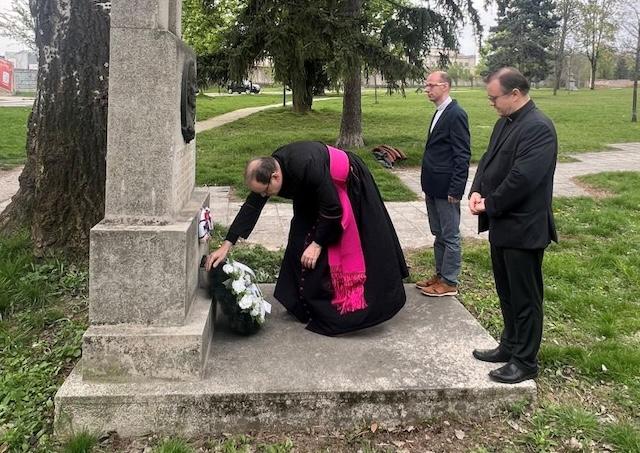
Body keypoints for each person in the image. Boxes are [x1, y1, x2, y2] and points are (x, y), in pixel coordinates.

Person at [205, 141, 408, 336]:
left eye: (266, 191)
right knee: (299, 240)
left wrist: (317, 244)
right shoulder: (272, 168)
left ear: (275, 176)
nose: (264, 196)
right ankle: (300, 303)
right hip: (314, 190)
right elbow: (252, 206)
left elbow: (332, 208)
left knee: (326, 247)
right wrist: (227, 245)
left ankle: (337, 304)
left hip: (344, 185)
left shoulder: (306, 166)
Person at [469, 67, 558, 384]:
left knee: (525, 298)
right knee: (506, 292)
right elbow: (488, 159)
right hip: (503, 225)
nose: (491, 103)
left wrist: (490, 203)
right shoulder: (504, 123)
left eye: (494, 98)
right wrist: (476, 190)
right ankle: (509, 345)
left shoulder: (538, 128)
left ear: (515, 94)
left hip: (524, 229)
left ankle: (525, 360)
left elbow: (523, 178)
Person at [416, 71, 471, 297]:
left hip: (447, 188)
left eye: (431, 85)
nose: (427, 89)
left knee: (450, 236)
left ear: (445, 86)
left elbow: (462, 154)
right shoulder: (439, 112)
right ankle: (440, 275)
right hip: (433, 185)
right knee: (438, 233)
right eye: (426, 85)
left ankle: (450, 281)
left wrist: (456, 189)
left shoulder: (456, 114)